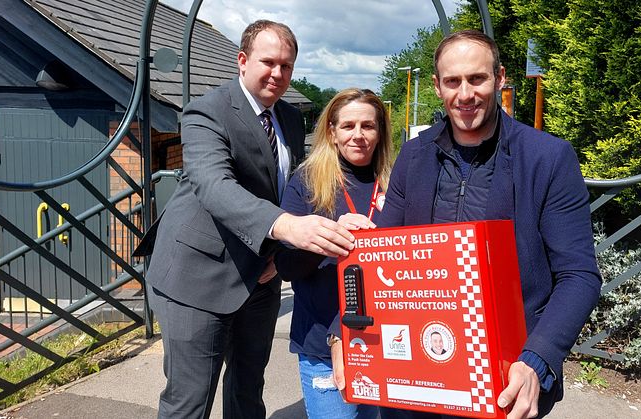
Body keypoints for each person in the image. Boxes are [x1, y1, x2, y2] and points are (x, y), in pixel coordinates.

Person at [331, 30, 601, 419]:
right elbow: (381, 256)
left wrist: (537, 359)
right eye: (453, 81)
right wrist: (341, 330)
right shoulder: (414, 155)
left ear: (500, 78)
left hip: (506, 374)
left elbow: (578, 275)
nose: (465, 94)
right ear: (438, 86)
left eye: (477, 79)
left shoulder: (547, 158)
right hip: (416, 371)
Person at [134, 20, 356, 419]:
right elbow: (213, 185)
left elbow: (294, 185)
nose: (278, 74)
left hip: (261, 275)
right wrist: (287, 227)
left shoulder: (288, 117)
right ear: (242, 60)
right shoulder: (206, 111)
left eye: (287, 66)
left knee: (248, 391)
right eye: (268, 62)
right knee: (190, 401)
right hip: (197, 277)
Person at [275, 88, 392, 419]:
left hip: (385, 343)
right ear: (332, 131)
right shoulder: (308, 183)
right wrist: (330, 238)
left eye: (368, 126)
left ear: (380, 131)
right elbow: (285, 266)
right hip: (323, 344)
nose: (358, 135)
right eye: (348, 126)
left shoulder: (394, 184)